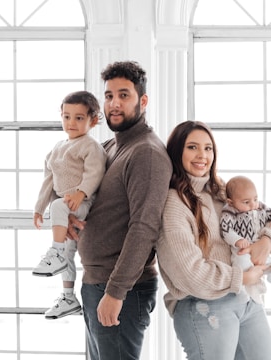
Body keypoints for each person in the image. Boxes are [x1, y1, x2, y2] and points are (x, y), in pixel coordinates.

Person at [67, 61, 172, 360]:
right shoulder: (110, 147)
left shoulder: (146, 153)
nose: (114, 103)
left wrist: (115, 293)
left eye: (124, 95)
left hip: (121, 289)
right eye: (109, 95)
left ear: (143, 100)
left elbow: (144, 227)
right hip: (96, 282)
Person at [156, 120, 271, 360]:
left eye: (208, 148)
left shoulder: (221, 190)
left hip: (247, 300)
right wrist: (242, 276)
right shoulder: (174, 203)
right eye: (192, 147)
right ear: (177, 152)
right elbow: (190, 273)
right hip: (204, 305)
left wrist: (266, 242)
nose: (202, 155)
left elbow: (267, 218)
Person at [32, 90, 107, 319]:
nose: (71, 122)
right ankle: (68, 297)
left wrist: (81, 191)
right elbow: (48, 181)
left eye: (79, 118)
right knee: (69, 251)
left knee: (58, 209)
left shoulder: (90, 146)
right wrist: (38, 207)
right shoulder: (56, 148)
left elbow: (95, 171)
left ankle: (55, 252)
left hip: (83, 203)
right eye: (66, 116)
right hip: (65, 205)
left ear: (93, 120)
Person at [221, 175, 271, 304]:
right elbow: (226, 230)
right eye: (246, 202)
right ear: (231, 202)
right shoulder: (230, 212)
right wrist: (237, 240)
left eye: (255, 198)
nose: (253, 204)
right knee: (243, 266)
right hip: (242, 249)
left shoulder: (261, 207)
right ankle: (250, 291)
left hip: (260, 247)